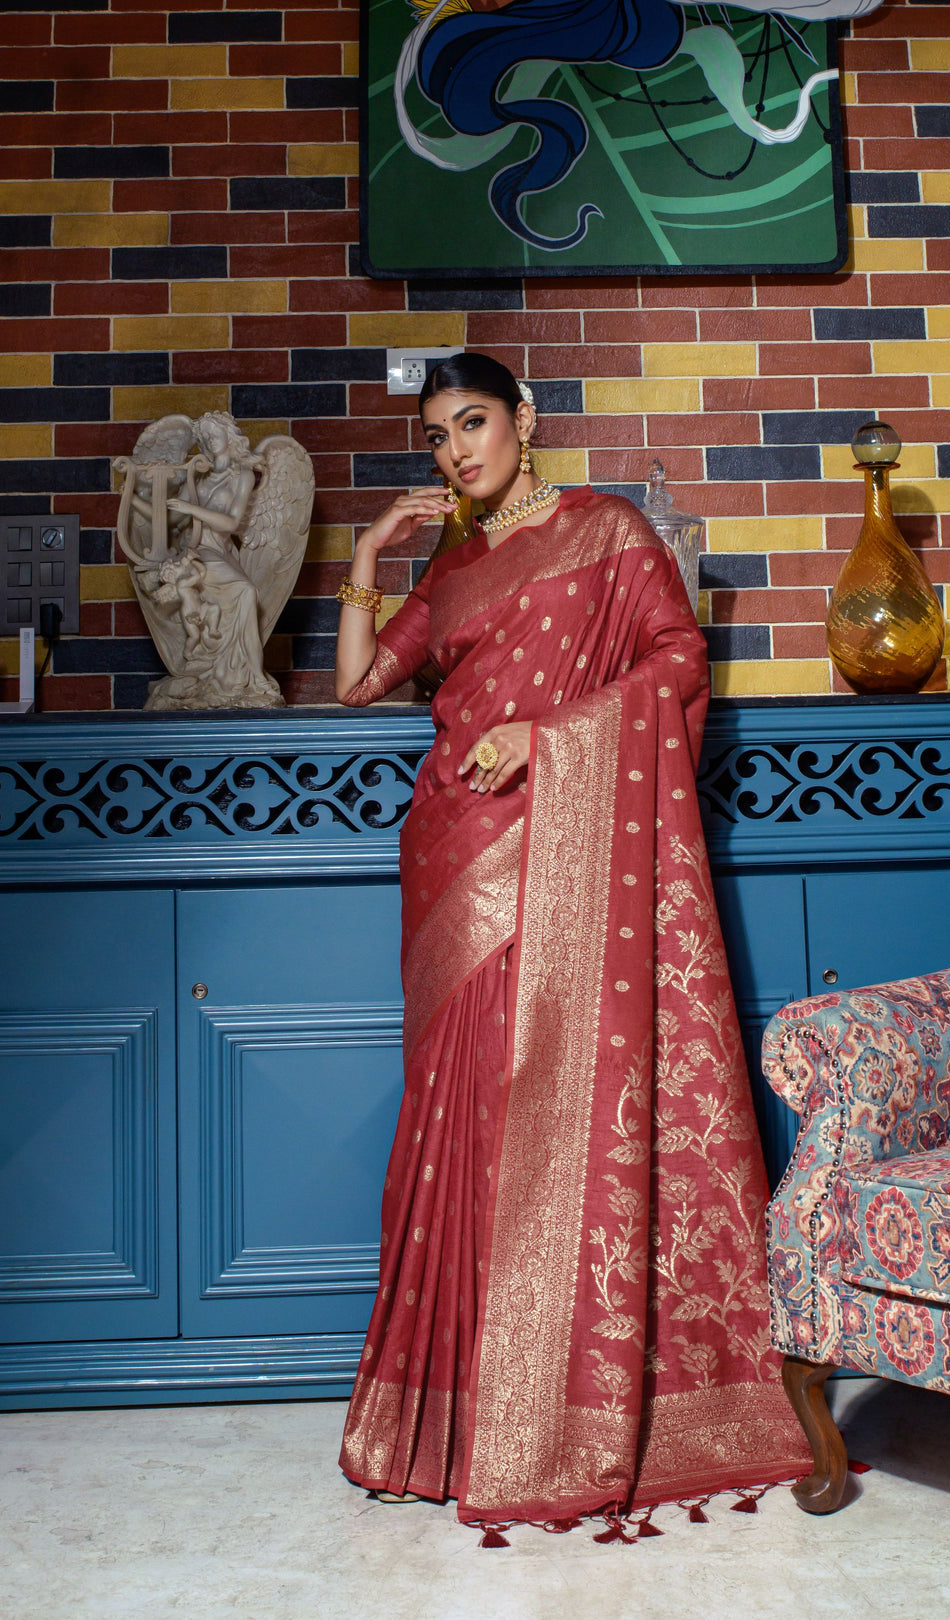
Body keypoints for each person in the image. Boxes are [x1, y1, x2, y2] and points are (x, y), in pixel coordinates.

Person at [334, 352, 809, 1534]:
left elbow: (675, 665)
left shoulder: (608, 532)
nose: (457, 452)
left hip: (563, 845)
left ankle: (547, 1411)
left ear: (526, 420)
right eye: (439, 437)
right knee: (462, 1120)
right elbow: (354, 685)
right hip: (454, 856)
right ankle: (452, 1418)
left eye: (474, 423)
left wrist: (549, 739)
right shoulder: (447, 570)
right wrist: (364, 556)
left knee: (542, 1106)